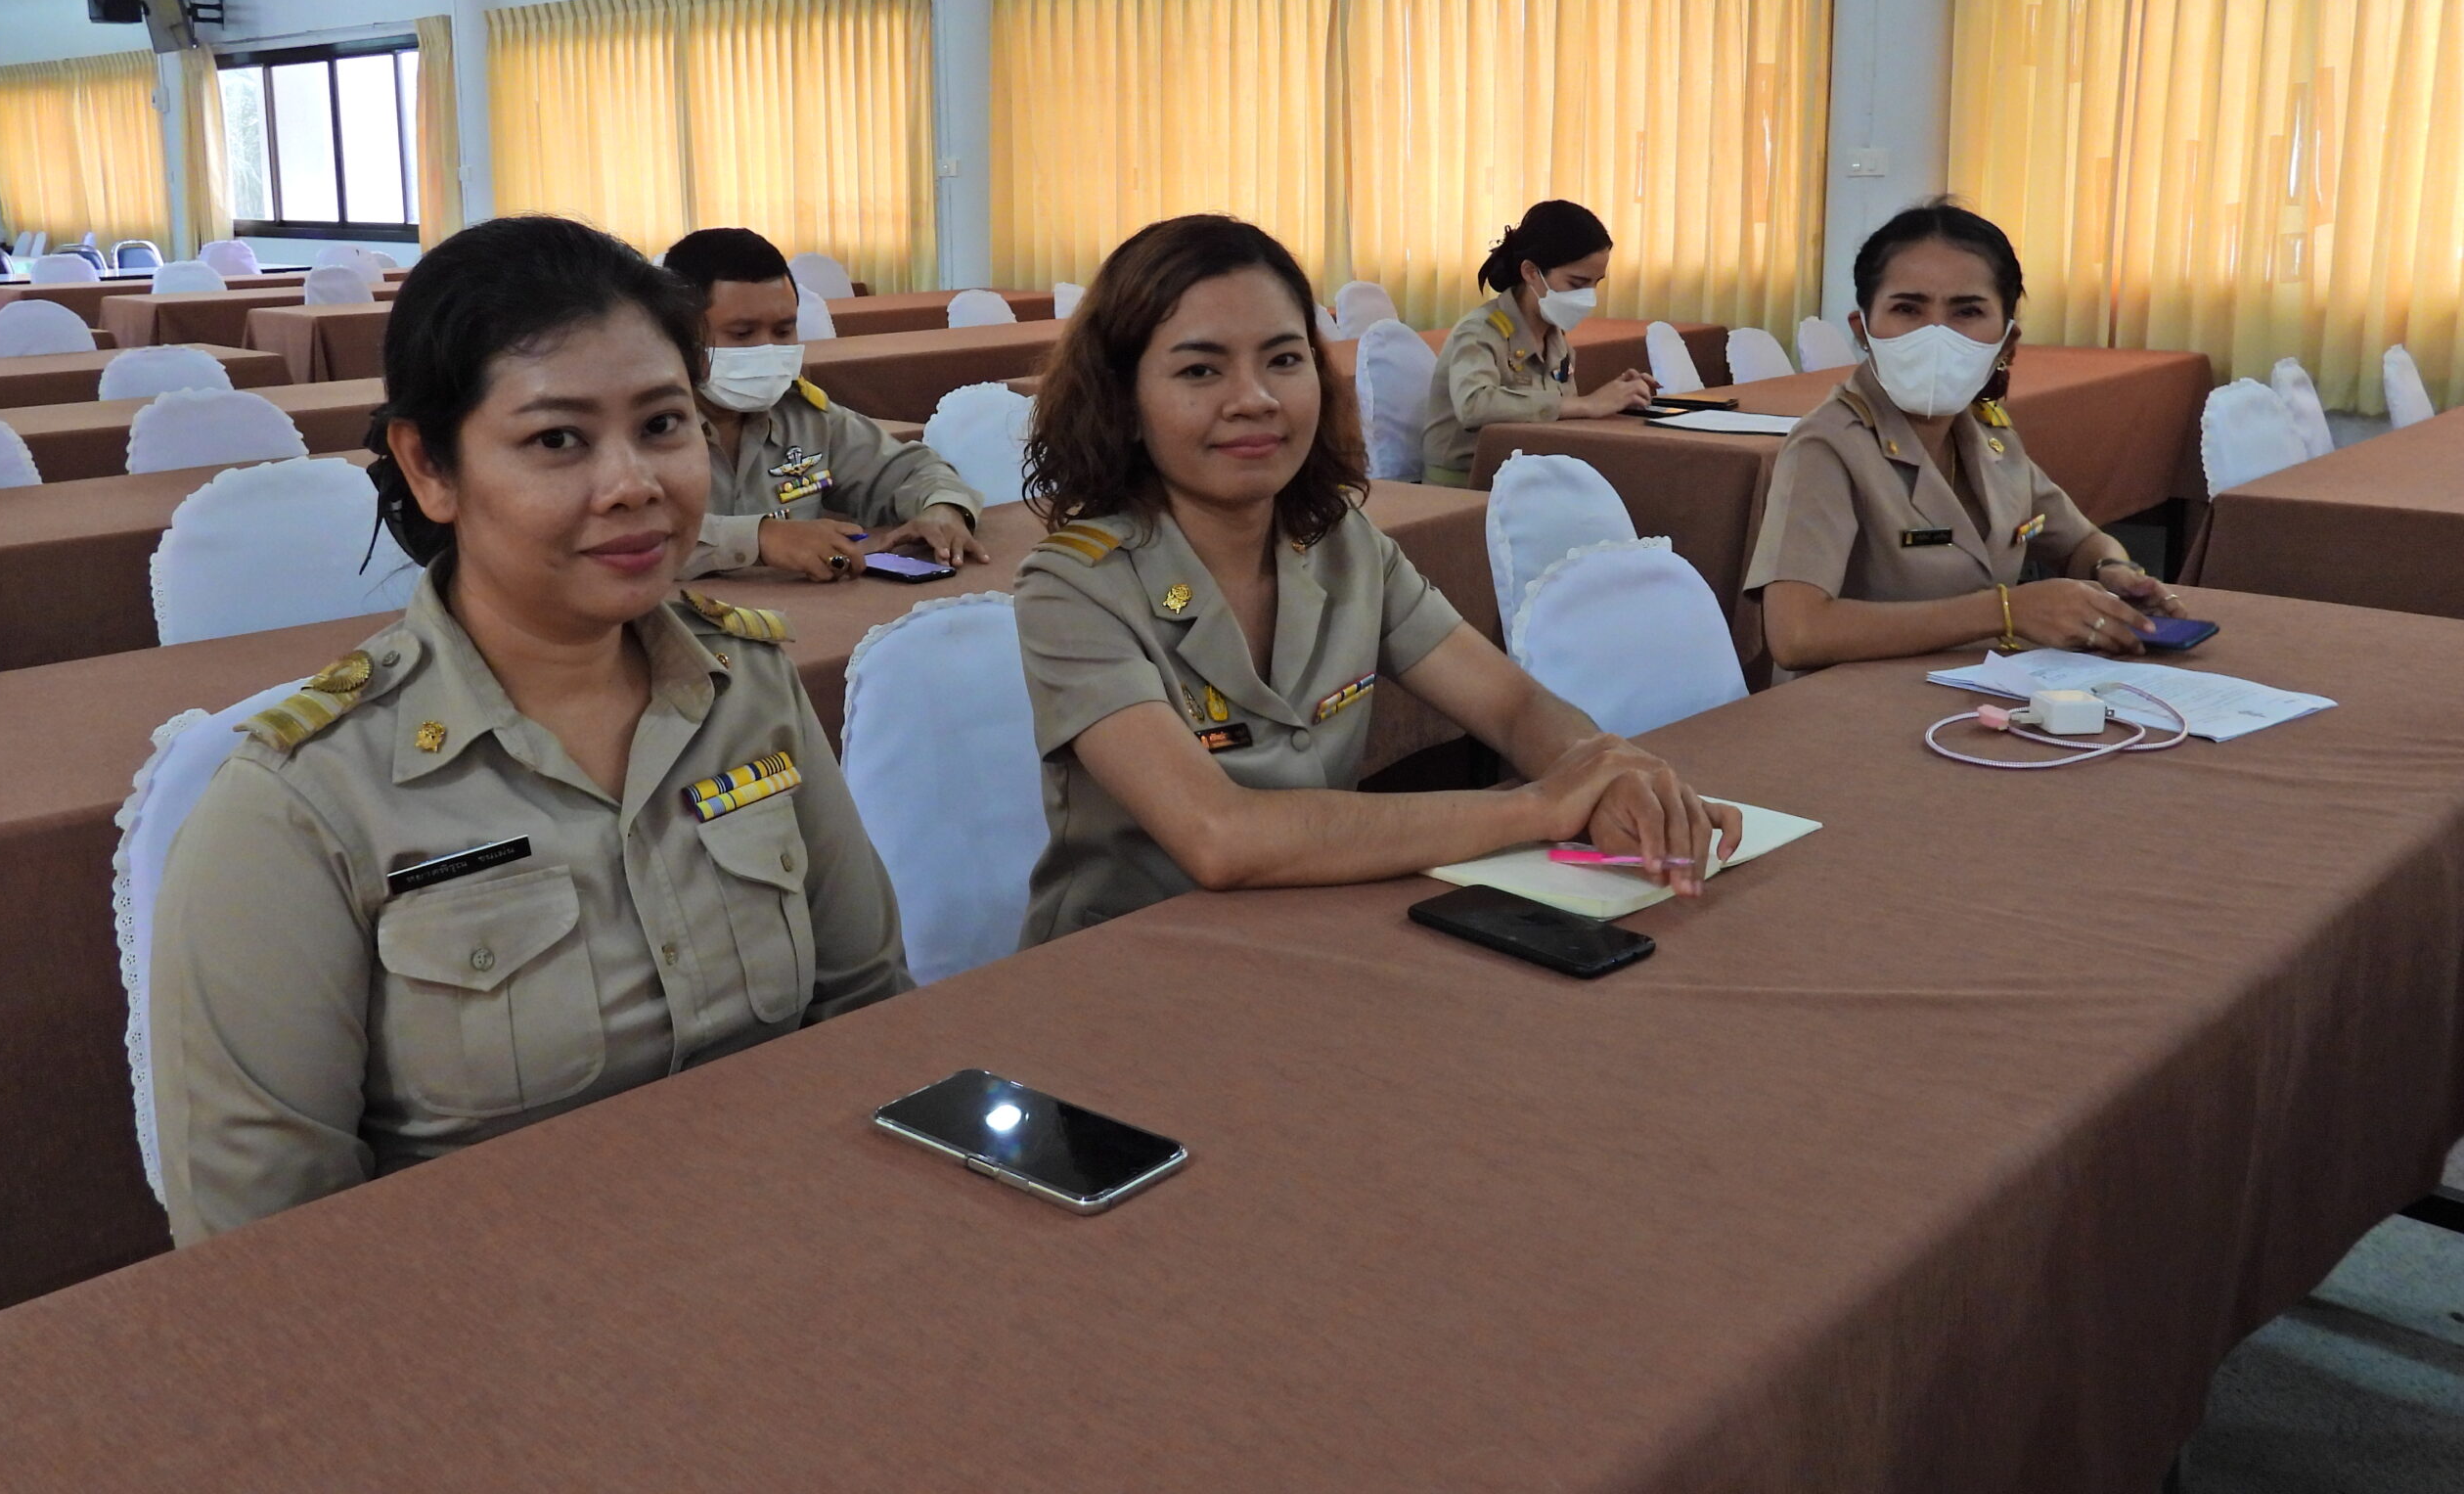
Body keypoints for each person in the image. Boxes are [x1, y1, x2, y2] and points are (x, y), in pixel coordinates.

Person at [150, 217, 912, 1245]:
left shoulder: (749, 688)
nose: (634, 484)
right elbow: (262, 1240)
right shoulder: (301, 802)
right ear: (430, 466)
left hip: (791, 1240)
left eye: (663, 424)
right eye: (558, 440)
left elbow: (868, 1010)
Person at [1013, 213, 1739, 945]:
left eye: (1284, 360)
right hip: (1126, 959)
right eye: (1200, 370)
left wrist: (1609, 775)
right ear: (1124, 401)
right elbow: (1221, 834)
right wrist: (1541, 806)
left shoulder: (1343, 547)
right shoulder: (1074, 588)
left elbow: (1511, 705)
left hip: (1313, 928)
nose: (1255, 398)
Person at [1747, 201, 2183, 671]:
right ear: (1864, 330)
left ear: (2007, 342)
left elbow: (2079, 543)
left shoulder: (1989, 436)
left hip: (1979, 691)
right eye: (1907, 309)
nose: (1936, 333)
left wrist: (2113, 572)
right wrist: (2006, 612)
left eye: (1967, 311)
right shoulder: (1828, 445)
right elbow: (1798, 634)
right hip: (1853, 703)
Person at [663, 227, 985, 583]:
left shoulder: (802, 415)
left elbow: (910, 470)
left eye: (783, 331)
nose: (769, 349)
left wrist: (943, 508)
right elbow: (625, 534)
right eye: (742, 333)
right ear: (681, 335)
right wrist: (759, 538)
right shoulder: (640, 428)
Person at [1421, 199, 1659, 485]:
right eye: (1577, 283)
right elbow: (1474, 405)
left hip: (1529, 477)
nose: (1588, 296)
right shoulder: (1480, 331)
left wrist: (1616, 397)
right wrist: (1586, 405)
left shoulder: (1554, 336)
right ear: (1531, 272)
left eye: (1596, 283)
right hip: (1465, 485)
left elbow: (1555, 415)